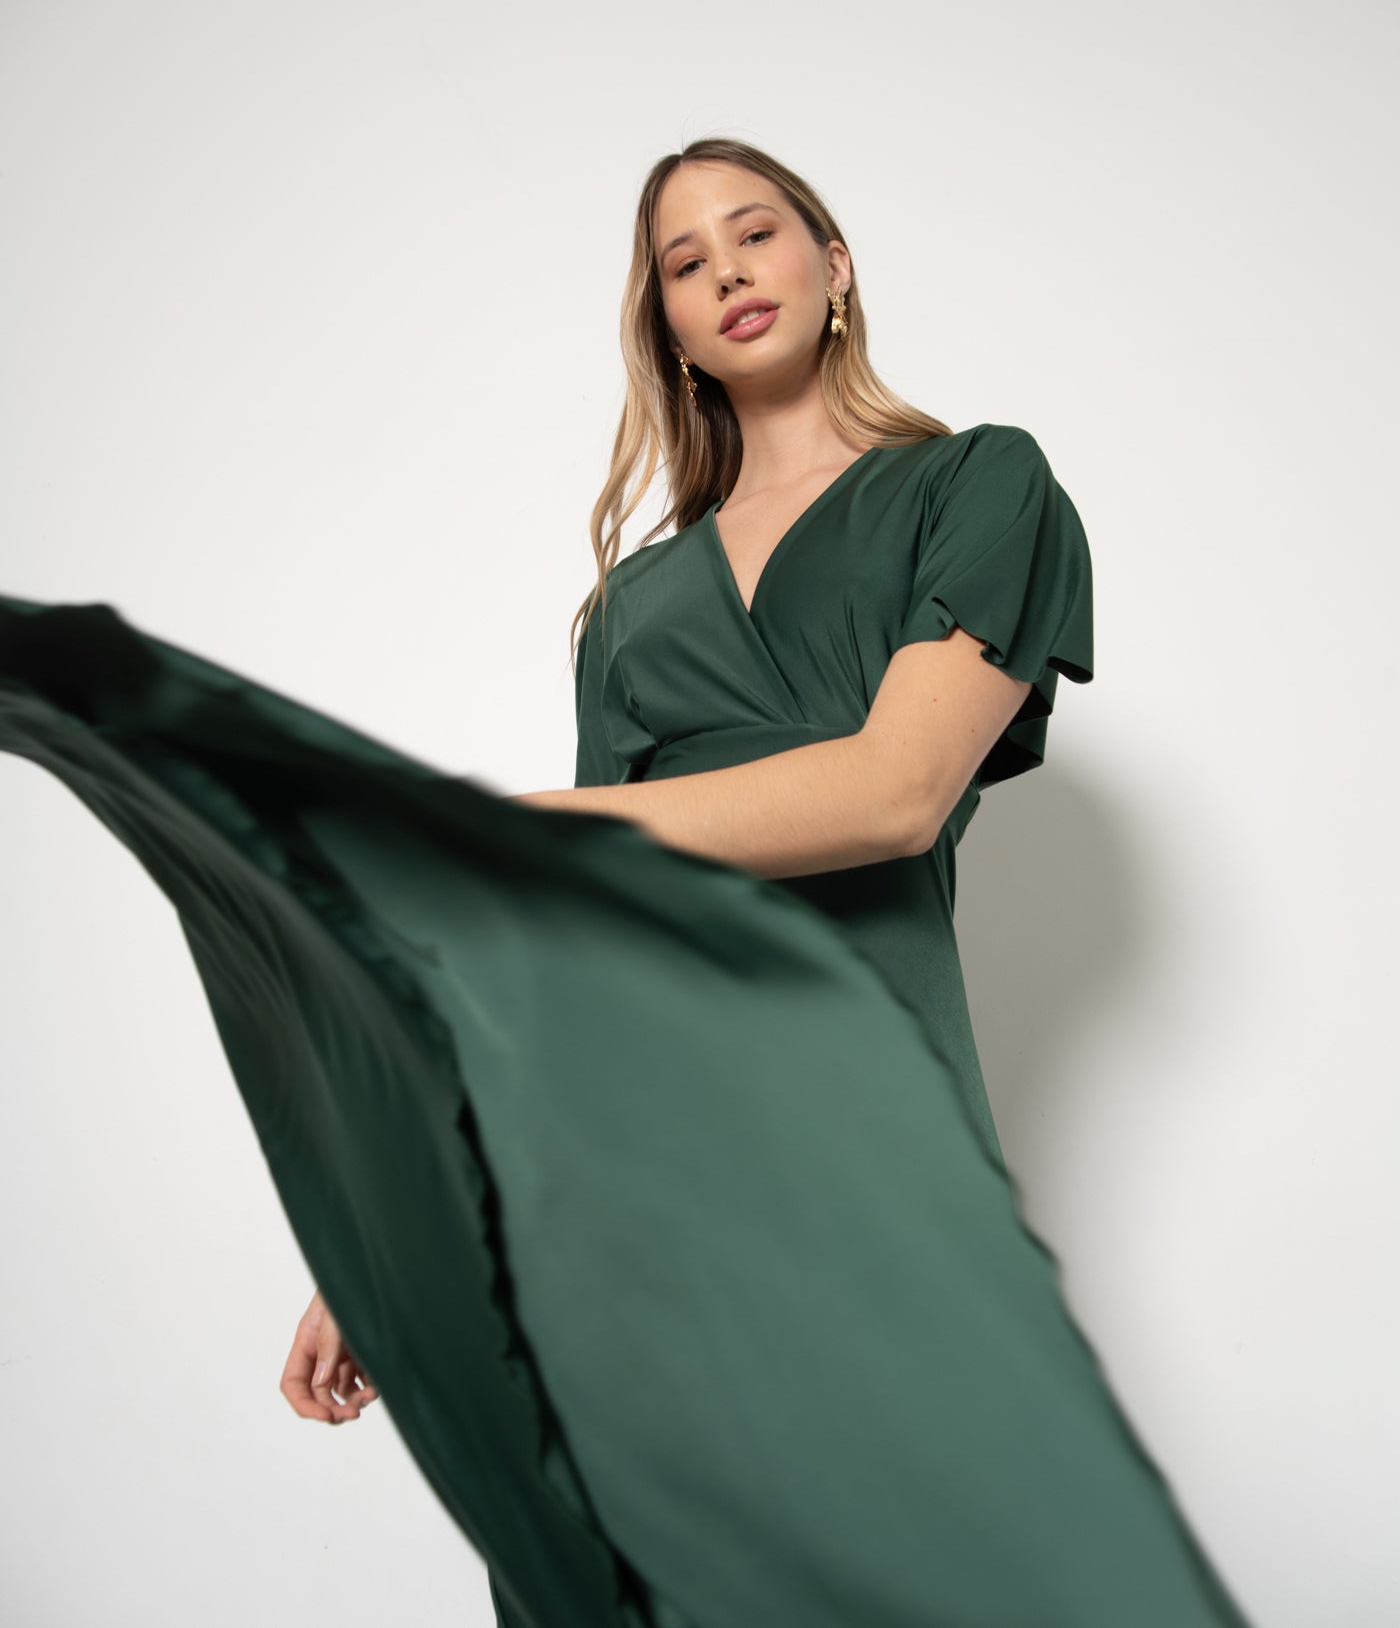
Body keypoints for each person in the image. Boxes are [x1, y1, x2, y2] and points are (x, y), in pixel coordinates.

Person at [0, 139, 1253, 1627]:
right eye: (683, 262)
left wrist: (528, 822)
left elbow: (897, 792)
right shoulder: (632, 609)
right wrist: (394, 1222)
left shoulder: (979, 485)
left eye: (757, 232)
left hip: (862, 1131)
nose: (727, 271)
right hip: (634, 1161)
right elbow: (563, 950)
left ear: (834, 264)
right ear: (666, 325)